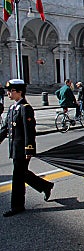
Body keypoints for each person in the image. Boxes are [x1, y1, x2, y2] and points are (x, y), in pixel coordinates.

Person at [0, 79, 54, 217]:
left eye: (11, 91)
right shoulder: (13, 108)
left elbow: (29, 131)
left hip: (23, 149)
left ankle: (17, 206)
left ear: (19, 92)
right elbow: (6, 128)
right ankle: (45, 186)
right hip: (14, 148)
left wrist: (29, 149)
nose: (8, 94)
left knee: (17, 177)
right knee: (22, 173)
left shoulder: (25, 108)